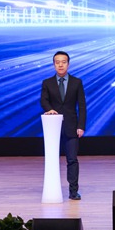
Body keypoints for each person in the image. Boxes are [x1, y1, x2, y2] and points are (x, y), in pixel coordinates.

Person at [40, 51, 87, 200]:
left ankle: (73, 191)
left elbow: (82, 106)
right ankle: (52, 189)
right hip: (52, 128)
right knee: (52, 160)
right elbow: (43, 100)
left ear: (68, 64)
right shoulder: (47, 83)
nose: (60, 65)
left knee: (72, 160)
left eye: (63, 62)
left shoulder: (76, 82)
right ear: (54, 64)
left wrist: (81, 126)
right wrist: (49, 109)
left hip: (71, 127)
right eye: (57, 62)